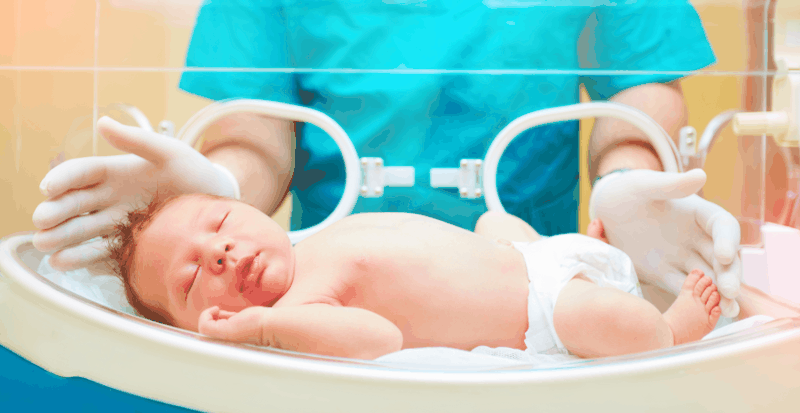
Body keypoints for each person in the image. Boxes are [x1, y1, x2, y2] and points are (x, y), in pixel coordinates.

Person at [31, 0, 743, 317]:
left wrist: (630, 184)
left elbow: (637, 80)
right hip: (316, 289)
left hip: (534, 282)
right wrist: (208, 201)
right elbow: (257, 121)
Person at [106, 191, 722, 360]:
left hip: (529, 256)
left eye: (220, 221)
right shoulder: (296, 312)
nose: (218, 253)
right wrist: (263, 329)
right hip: (542, 310)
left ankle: (579, 251)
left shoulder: (308, 243)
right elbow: (379, 339)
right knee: (602, 320)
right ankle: (670, 332)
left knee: (494, 221)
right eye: (190, 279)